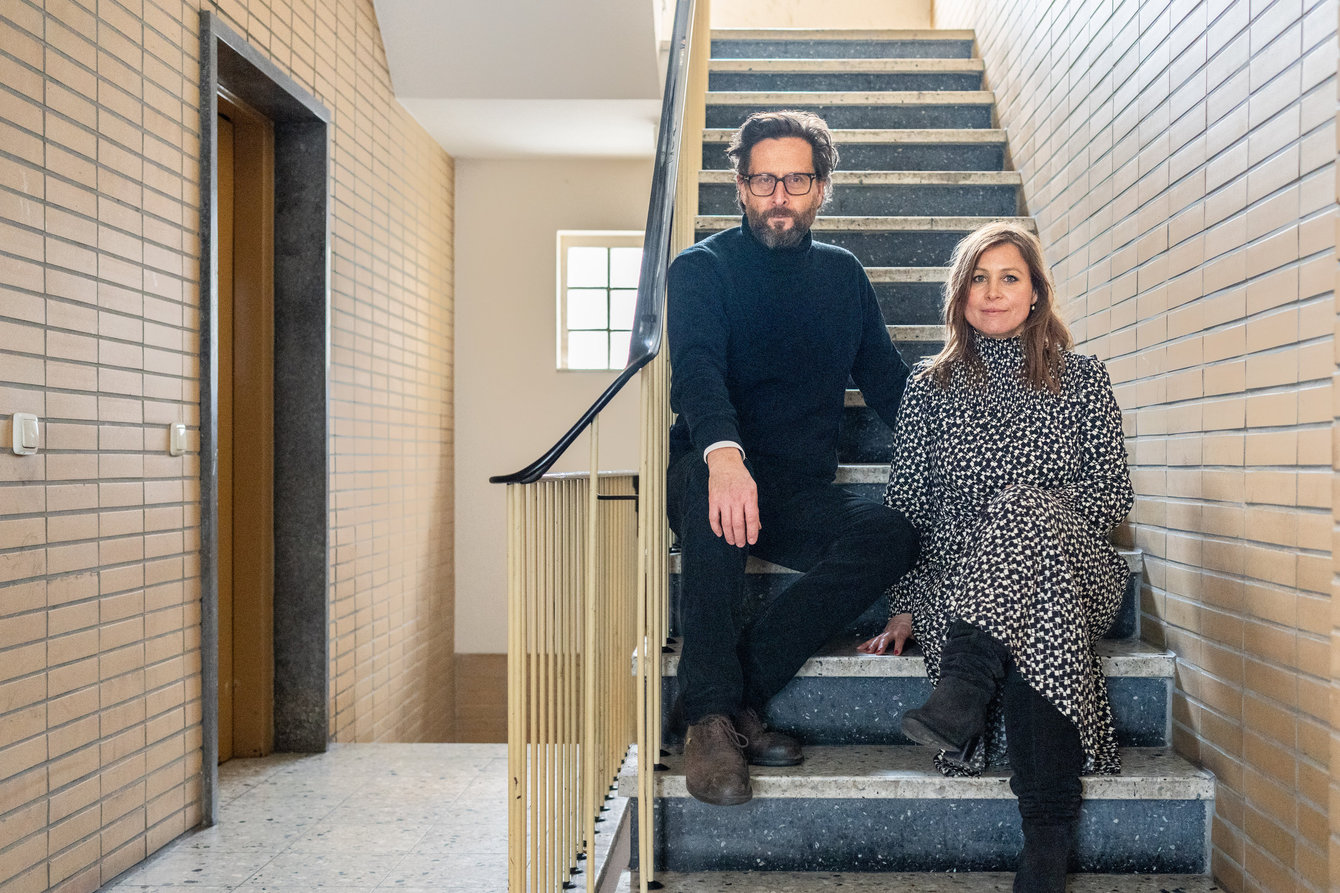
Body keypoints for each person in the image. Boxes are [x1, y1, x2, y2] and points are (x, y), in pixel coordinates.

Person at [858, 221, 1134, 892]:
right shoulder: (929, 389)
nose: (992, 291)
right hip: (962, 583)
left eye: (1009, 276)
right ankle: (1045, 847)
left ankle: (962, 689)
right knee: (1044, 626)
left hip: (1076, 565)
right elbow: (910, 504)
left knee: (1023, 512)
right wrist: (903, 605)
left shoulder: (1085, 379)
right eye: (978, 278)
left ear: (1037, 292)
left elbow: (1111, 492)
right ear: (959, 295)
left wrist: (1031, 518)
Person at [667, 109, 919, 807]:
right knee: (710, 493)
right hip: (710, 469)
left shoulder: (843, 277)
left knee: (891, 532)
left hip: (797, 489)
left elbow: (890, 383)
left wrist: (957, 446)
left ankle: (730, 693)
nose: (780, 194)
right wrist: (724, 452)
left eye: (797, 179)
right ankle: (713, 719)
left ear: (821, 187)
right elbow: (695, 370)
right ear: (741, 185)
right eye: (764, 179)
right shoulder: (700, 269)